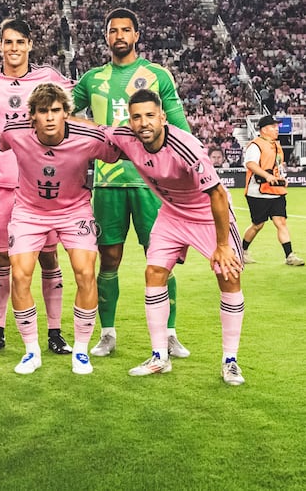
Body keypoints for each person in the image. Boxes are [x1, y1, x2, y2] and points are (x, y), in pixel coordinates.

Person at [105, 89, 246, 385]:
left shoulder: (186, 147)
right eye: (137, 117)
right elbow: (93, 130)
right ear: (130, 121)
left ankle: (230, 361)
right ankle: (159, 357)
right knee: (154, 272)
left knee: (229, 275)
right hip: (172, 213)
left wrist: (222, 246)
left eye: (150, 116)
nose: (144, 123)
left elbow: (218, 194)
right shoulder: (126, 137)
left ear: (163, 117)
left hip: (207, 213)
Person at [72, 7, 191, 359]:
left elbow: (180, 127)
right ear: (106, 36)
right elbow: (61, 111)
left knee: (161, 258)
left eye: (126, 30)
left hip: (152, 185)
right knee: (108, 259)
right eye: (113, 30)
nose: (119, 36)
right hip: (107, 185)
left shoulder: (157, 75)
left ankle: (169, 334)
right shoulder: (92, 79)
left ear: (137, 35)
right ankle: (107, 333)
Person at [0, 83, 120, 375]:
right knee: (19, 275)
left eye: (56, 110)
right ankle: (31, 351)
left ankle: (80, 351)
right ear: (33, 116)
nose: (50, 117)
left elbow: (122, 149)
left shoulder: (89, 137)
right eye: (43, 111)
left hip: (74, 210)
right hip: (29, 212)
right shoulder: (16, 133)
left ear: (66, 113)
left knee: (85, 272)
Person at [0, 18, 76, 357]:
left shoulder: (49, 78)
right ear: (0, 46)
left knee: (48, 257)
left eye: (19, 42)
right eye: (7, 42)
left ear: (30, 45)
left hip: (43, 186)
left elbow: (72, 105)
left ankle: (54, 333)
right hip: (1, 184)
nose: (13, 48)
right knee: (0, 258)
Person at [241, 115, 304, 266]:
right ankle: (242, 251)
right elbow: (250, 164)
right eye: (273, 126)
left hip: (276, 190)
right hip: (258, 191)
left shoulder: (276, 145)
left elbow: (279, 166)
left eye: (277, 126)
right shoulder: (255, 145)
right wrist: (267, 176)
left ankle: (290, 255)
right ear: (264, 129)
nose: (277, 129)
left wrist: (282, 178)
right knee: (258, 224)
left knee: (281, 222)